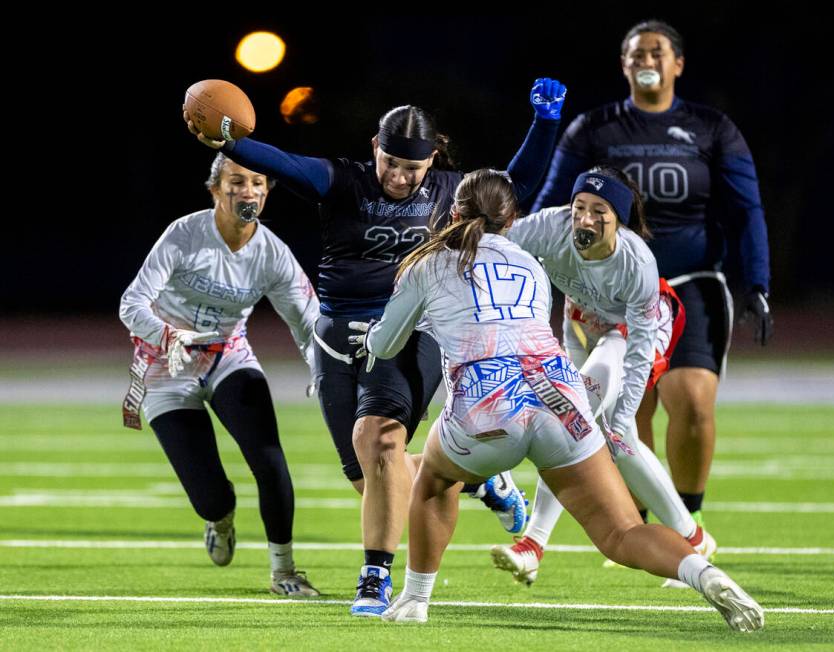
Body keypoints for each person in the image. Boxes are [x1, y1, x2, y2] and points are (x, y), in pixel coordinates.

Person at [184, 78, 568, 616]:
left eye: (411, 167)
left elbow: (515, 184)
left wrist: (545, 122)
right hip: (338, 338)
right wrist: (227, 141)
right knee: (370, 478)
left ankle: (374, 578)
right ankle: (481, 482)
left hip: (412, 334)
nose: (398, 175)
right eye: (389, 162)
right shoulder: (343, 181)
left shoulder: (448, 194)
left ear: (432, 159)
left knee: (381, 440)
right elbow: (285, 162)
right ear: (374, 149)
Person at [349, 169, 763, 632]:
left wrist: (372, 335)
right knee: (622, 533)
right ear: (512, 220)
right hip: (560, 399)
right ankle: (702, 573)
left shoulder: (428, 263)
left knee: (434, 478)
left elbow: (386, 345)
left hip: (489, 406)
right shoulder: (530, 264)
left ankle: (415, 598)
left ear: (454, 213)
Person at [532, 20, 773, 528]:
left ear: (678, 64)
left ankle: (689, 519)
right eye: (636, 54)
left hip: (691, 285)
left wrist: (757, 280)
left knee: (691, 401)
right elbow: (550, 204)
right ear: (623, 64)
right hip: (611, 293)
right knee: (629, 413)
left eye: (657, 53)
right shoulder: (594, 128)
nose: (646, 62)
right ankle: (640, 526)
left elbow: (747, 208)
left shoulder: (712, 128)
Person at [491, 167, 715, 588]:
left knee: (577, 421)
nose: (585, 220)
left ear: (620, 219)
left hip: (635, 333)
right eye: (579, 208)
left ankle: (533, 546)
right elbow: (492, 248)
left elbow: (638, 354)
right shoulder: (548, 227)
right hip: (578, 325)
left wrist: (625, 413)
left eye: (600, 211)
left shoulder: (637, 264)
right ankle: (693, 538)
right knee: (616, 438)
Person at [119, 153, 320, 598]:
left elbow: (309, 324)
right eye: (236, 181)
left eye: (257, 182)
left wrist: (323, 370)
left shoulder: (272, 253)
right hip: (166, 366)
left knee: (270, 460)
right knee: (209, 497)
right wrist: (168, 333)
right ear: (214, 189)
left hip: (228, 357)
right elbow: (131, 304)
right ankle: (220, 518)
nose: (247, 191)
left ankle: (284, 571)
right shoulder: (184, 234)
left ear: (267, 192)